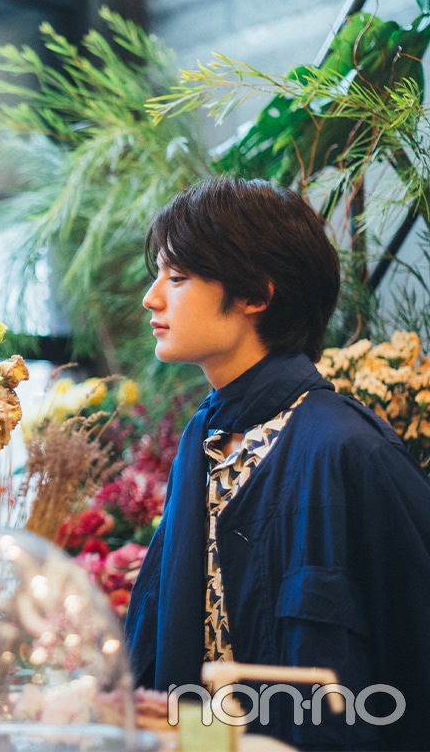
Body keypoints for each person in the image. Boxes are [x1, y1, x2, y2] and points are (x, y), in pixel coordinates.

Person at [124, 177, 430, 751]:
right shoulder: (204, 438)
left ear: (256, 296)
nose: (152, 297)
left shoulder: (350, 450)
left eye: (179, 277)